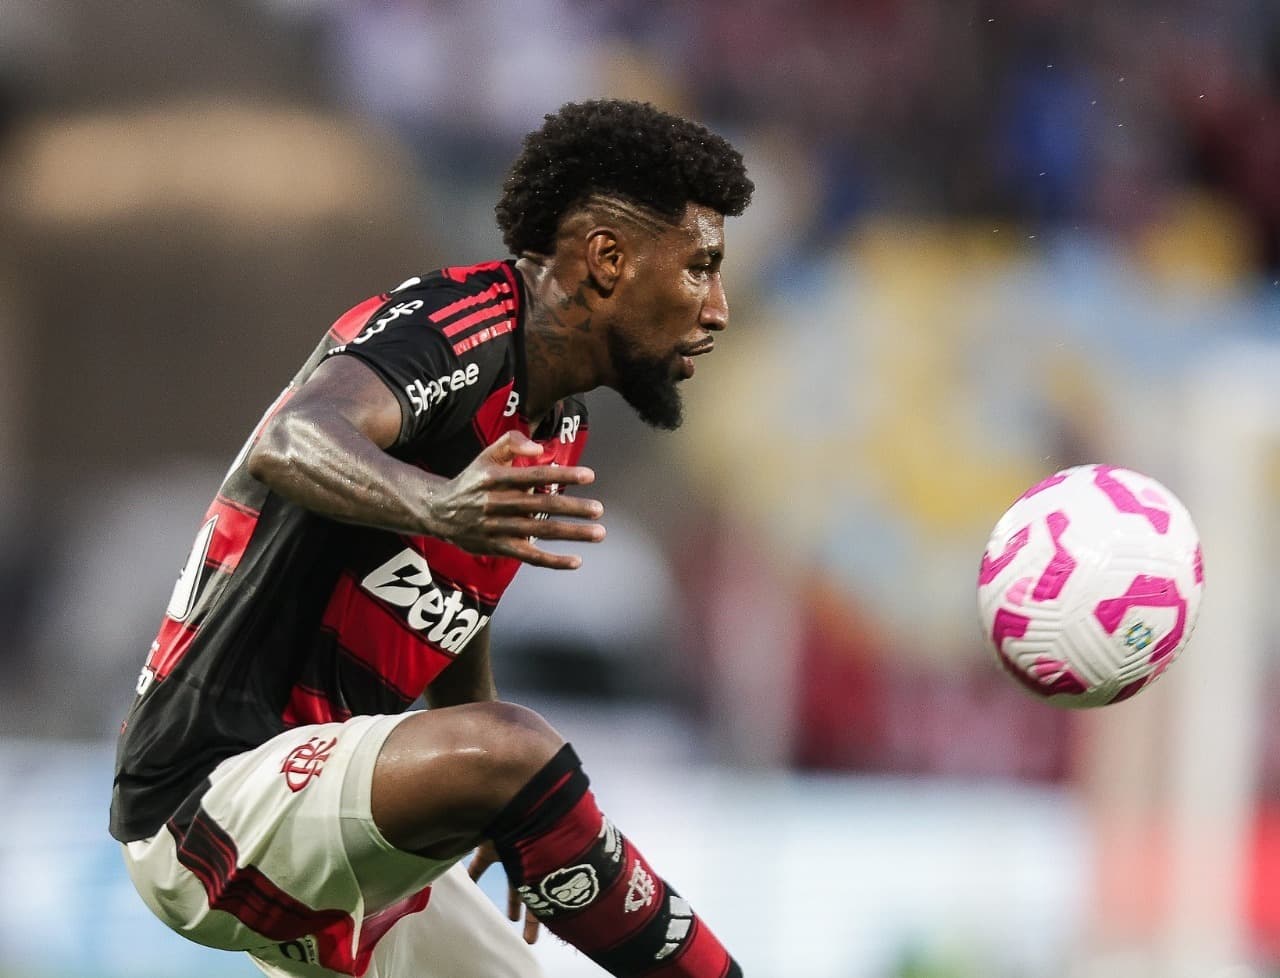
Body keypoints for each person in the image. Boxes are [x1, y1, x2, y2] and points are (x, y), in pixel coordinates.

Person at [110, 98, 753, 978]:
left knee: (513, 792)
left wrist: (513, 810)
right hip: (215, 794)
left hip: (324, 805)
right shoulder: (455, 325)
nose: (717, 308)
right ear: (608, 259)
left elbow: (450, 596)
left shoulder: (552, 419)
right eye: (700, 268)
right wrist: (439, 506)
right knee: (520, 748)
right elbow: (294, 437)